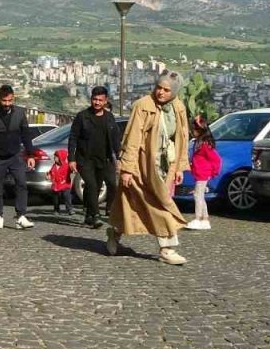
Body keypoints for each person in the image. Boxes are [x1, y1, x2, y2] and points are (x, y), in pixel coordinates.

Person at [106, 71, 190, 265]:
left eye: (166, 89)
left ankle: (161, 246)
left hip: (164, 166)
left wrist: (179, 167)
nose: (161, 92)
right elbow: (132, 137)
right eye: (159, 87)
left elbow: (182, 138)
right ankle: (165, 247)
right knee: (145, 205)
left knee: (154, 203)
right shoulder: (143, 106)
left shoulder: (178, 108)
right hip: (141, 167)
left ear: (174, 91)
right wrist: (127, 168)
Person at [0, 84, 37, 230]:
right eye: (4, 101)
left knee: (22, 183)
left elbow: (26, 135)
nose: (7, 104)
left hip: (16, 155)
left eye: (10, 100)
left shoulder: (20, 113)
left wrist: (30, 155)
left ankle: (21, 215)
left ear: (13, 99)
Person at [68, 85, 122, 229]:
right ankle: (96, 215)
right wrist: (71, 159)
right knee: (91, 185)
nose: (96, 102)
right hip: (85, 159)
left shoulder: (109, 117)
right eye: (94, 99)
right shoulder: (82, 116)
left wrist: (119, 157)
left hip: (103, 159)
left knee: (97, 187)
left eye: (100, 100)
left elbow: (115, 138)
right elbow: (73, 137)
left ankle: (88, 215)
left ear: (105, 101)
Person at [186, 114, 220, 231]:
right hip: (200, 174)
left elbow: (216, 159)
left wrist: (213, 172)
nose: (192, 132)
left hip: (203, 174)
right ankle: (205, 219)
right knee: (200, 196)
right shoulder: (201, 143)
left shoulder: (204, 144)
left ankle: (198, 218)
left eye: (194, 130)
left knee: (197, 195)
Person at [49, 149, 73, 215]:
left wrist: (73, 169)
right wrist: (49, 176)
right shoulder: (54, 166)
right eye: (54, 156)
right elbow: (51, 173)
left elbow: (71, 170)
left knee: (67, 196)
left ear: (61, 157)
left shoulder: (66, 166)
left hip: (65, 184)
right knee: (56, 198)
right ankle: (56, 209)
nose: (54, 158)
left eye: (56, 157)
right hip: (56, 185)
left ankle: (69, 209)